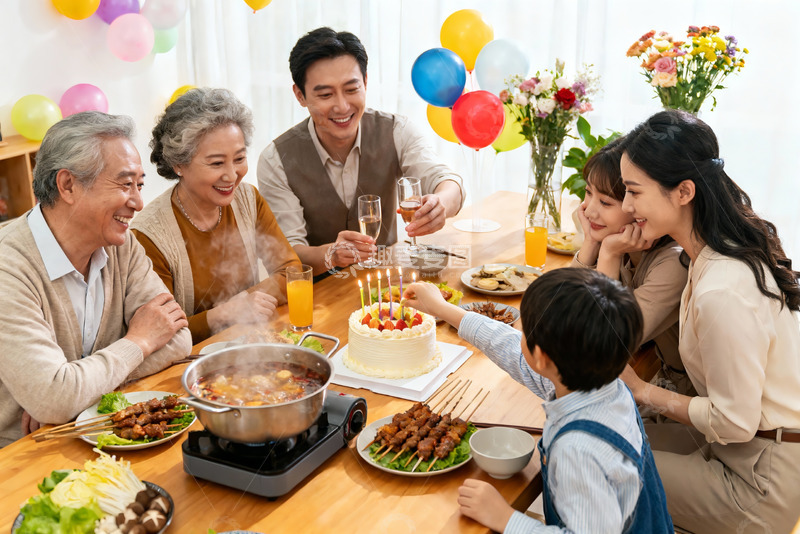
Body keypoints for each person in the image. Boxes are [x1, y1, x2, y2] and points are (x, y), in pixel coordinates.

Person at [616, 110, 800, 533]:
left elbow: (735, 422)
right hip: (739, 449)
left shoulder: (722, 287)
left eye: (634, 192)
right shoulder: (707, 256)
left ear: (683, 191)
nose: (627, 207)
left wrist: (643, 390)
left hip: (758, 477)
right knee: (602, 438)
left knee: (594, 462)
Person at [404, 269, 673, 533]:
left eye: (525, 332)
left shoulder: (576, 449)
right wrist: (443, 309)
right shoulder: (602, 382)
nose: (519, 337)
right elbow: (508, 347)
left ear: (542, 357)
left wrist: (506, 518)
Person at [0, 111, 191, 447]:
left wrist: (75, 389)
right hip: (23, 452)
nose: (138, 202)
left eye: (140, 184)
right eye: (125, 183)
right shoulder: (9, 268)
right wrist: (140, 342)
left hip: (96, 430)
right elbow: (54, 398)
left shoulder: (122, 243)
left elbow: (178, 337)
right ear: (68, 185)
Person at [258, 27, 464, 276]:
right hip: (318, 297)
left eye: (352, 89)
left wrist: (440, 204)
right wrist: (330, 254)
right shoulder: (276, 159)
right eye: (325, 94)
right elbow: (287, 253)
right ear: (300, 95)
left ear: (365, 82)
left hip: (387, 287)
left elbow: (448, 181)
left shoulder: (396, 130)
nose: (342, 106)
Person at [131, 88, 302, 344]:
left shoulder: (248, 200)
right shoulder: (149, 235)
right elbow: (159, 331)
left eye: (239, 158)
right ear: (179, 164)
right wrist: (224, 314)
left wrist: (247, 304)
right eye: (216, 163)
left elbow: (290, 272)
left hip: (253, 346)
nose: (232, 175)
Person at [573, 139, 692, 395]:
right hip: (653, 384)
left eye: (606, 203)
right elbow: (562, 313)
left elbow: (596, 346)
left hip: (681, 402)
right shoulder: (625, 241)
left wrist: (608, 254)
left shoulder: (674, 263)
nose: (589, 211)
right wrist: (591, 244)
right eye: (588, 192)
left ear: (636, 206)